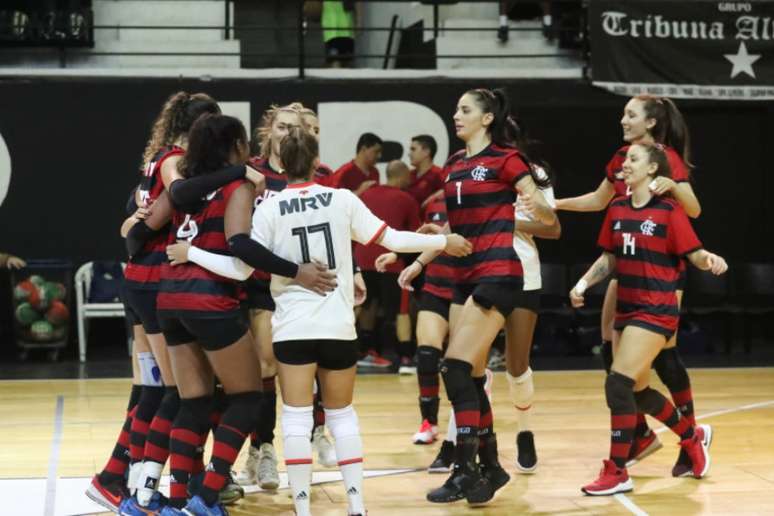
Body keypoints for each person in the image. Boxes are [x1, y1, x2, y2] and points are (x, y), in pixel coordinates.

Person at [171, 126, 472, 516]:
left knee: (295, 418)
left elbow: (242, 269)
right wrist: (442, 242)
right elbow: (395, 241)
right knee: (341, 416)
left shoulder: (270, 207)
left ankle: (302, 510)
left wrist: (191, 253)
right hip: (337, 326)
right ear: (316, 161)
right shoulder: (342, 198)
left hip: (292, 328)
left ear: (281, 160)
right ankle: (356, 508)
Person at [150, 114, 335, 516]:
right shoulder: (239, 185)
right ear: (234, 146)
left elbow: (138, 232)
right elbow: (240, 252)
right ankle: (208, 492)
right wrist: (297, 271)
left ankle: (177, 499)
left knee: (193, 402)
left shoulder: (180, 187)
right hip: (211, 300)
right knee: (249, 396)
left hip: (168, 300)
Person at [399, 88, 556, 505]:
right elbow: (458, 228)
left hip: (500, 274)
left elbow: (546, 215)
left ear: (487, 118)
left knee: (454, 367)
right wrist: (427, 251)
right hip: (464, 274)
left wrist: (536, 202)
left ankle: (466, 470)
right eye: (456, 109)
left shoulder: (507, 159)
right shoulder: (453, 165)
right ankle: (493, 466)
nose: (456, 115)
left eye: (465, 110)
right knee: (467, 375)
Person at [87, 91, 223, 514]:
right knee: (180, 392)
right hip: (157, 284)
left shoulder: (158, 160)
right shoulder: (177, 161)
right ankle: (140, 488)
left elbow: (132, 219)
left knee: (151, 388)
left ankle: (120, 478)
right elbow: (172, 203)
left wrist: (134, 225)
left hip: (140, 281)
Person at [555, 95, 705, 476]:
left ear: (652, 123)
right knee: (610, 349)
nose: (623, 120)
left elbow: (693, 209)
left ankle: (691, 437)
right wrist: (554, 205)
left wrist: (672, 183)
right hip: (625, 267)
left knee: (664, 357)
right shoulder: (624, 158)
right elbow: (596, 200)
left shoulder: (661, 157)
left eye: (631, 114)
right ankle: (639, 432)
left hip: (660, 273)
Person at [570, 142, 725, 495]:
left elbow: (695, 253)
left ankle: (616, 471)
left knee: (618, 383)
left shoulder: (670, 211)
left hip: (657, 308)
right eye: (625, 158)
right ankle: (691, 438)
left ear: (653, 170)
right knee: (638, 395)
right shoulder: (618, 208)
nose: (625, 163)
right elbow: (609, 258)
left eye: (634, 159)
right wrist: (582, 283)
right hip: (627, 307)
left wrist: (710, 260)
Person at [354, 160, 421, 370]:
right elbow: (416, 234)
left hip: (363, 259)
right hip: (391, 262)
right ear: (401, 176)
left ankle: (366, 352)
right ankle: (406, 358)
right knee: (402, 311)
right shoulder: (407, 199)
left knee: (367, 305)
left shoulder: (366, 195)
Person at [405, 134, 445, 209]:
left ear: (426, 152)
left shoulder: (438, 174)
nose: (409, 154)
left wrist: (430, 200)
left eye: (413, 149)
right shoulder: (408, 175)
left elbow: (449, 192)